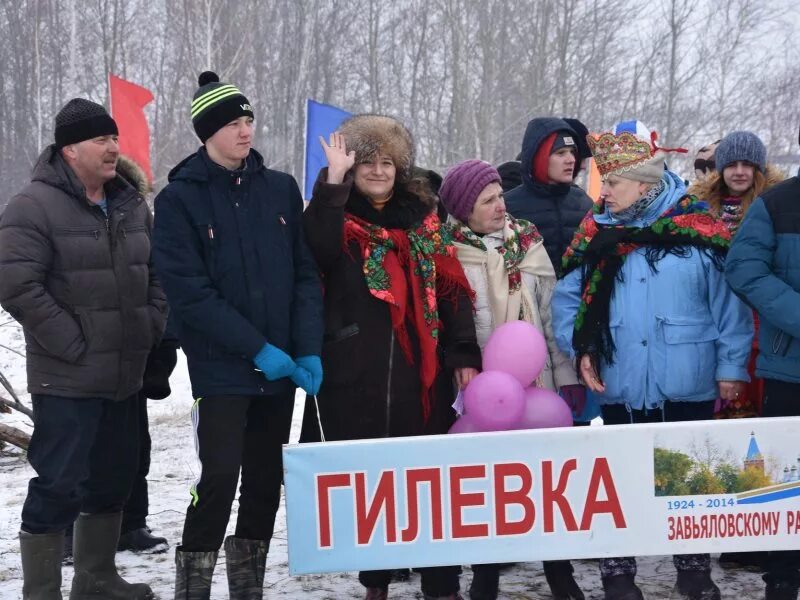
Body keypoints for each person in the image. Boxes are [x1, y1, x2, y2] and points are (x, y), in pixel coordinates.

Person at [552, 120, 753, 600]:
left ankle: (693, 568)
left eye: (613, 183)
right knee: (618, 482)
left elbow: (730, 308)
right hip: (618, 381)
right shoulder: (596, 232)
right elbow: (566, 300)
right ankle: (617, 572)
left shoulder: (696, 228)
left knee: (688, 478)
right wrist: (580, 347)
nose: (604, 194)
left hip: (687, 379)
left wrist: (731, 368)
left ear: (644, 183)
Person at [152, 71, 323, 600]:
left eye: (248, 120)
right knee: (220, 479)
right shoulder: (180, 200)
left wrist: (308, 346)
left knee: (265, 481)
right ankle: (193, 587)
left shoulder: (280, 189)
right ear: (207, 133)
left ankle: (247, 585)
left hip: (281, 369)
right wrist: (256, 347)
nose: (245, 131)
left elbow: (304, 275)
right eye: (232, 123)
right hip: (221, 366)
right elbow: (190, 295)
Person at [302, 114, 482, 600]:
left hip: (420, 377)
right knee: (372, 489)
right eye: (367, 162)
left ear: (400, 168)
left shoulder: (424, 218)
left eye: (387, 162)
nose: (378, 171)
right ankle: (376, 583)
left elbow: (452, 290)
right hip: (353, 371)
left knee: (429, 486)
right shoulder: (332, 210)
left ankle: (441, 585)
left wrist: (463, 350)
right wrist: (333, 182)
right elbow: (315, 252)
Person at [0, 98, 167, 599]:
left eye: (114, 138)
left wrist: (151, 322)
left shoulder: (132, 203)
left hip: (124, 373)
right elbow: (15, 285)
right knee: (59, 484)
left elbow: (158, 273)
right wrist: (72, 343)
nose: (114, 147)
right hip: (67, 378)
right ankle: (42, 590)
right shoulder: (32, 206)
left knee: (115, 477)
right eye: (102, 139)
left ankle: (95, 579)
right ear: (70, 149)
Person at [439, 159, 584, 600]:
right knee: (484, 483)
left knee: (545, 480)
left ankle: (560, 571)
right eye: (488, 200)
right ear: (465, 210)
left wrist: (565, 374)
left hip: (536, 382)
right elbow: (443, 324)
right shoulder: (447, 253)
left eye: (501, 195)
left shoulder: (528, 244)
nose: (501, 205)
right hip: (480, 387)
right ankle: (485, 573)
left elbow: (550, 316)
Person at [61, 157, 175, 564]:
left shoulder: (141, 220)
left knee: (133, 448)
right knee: (80, 450)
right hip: (79, 359)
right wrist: (71, 340)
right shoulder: (61, 216)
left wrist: (159, 335)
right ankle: (70, 530)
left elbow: (159, 279)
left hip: (135, 354)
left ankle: (131, 524)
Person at [725, 128, 800, 600]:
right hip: (789, 370)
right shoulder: (777, 204)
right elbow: (744, 268)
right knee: (785, 480)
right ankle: (782, 577)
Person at [504, 117, 594, 275]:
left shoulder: (584, 203)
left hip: (574, 298)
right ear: (540, 157)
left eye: (573, 152)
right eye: (560, 153)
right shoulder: (508, 206)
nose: (571, 160)